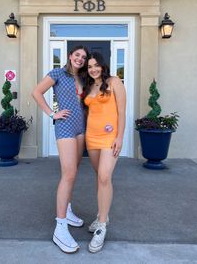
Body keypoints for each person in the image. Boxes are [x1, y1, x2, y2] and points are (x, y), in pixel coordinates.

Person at [32, 45, 89, 253]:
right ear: (70, 56)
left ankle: (68, 208)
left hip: (80, 127)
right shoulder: (57, 73)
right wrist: (51, 114)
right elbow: (36, 92)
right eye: (77, 55)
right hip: (64, 125)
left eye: (83, 57)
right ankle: (60, 226)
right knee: (68, 173)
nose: (80, 59)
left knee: (74, 172)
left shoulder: (83, 78)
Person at [83, 52, 126, 253]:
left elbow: (122, 111)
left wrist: (120, 137)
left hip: (110, 138)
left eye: (96, 65)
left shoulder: (114, 81)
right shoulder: (88, 86)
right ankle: (103, 213)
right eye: (90, 66)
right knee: (100, 178)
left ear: (103, 65)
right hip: (91, 137)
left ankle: (102, 226)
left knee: (104, 176)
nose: (93, 69)